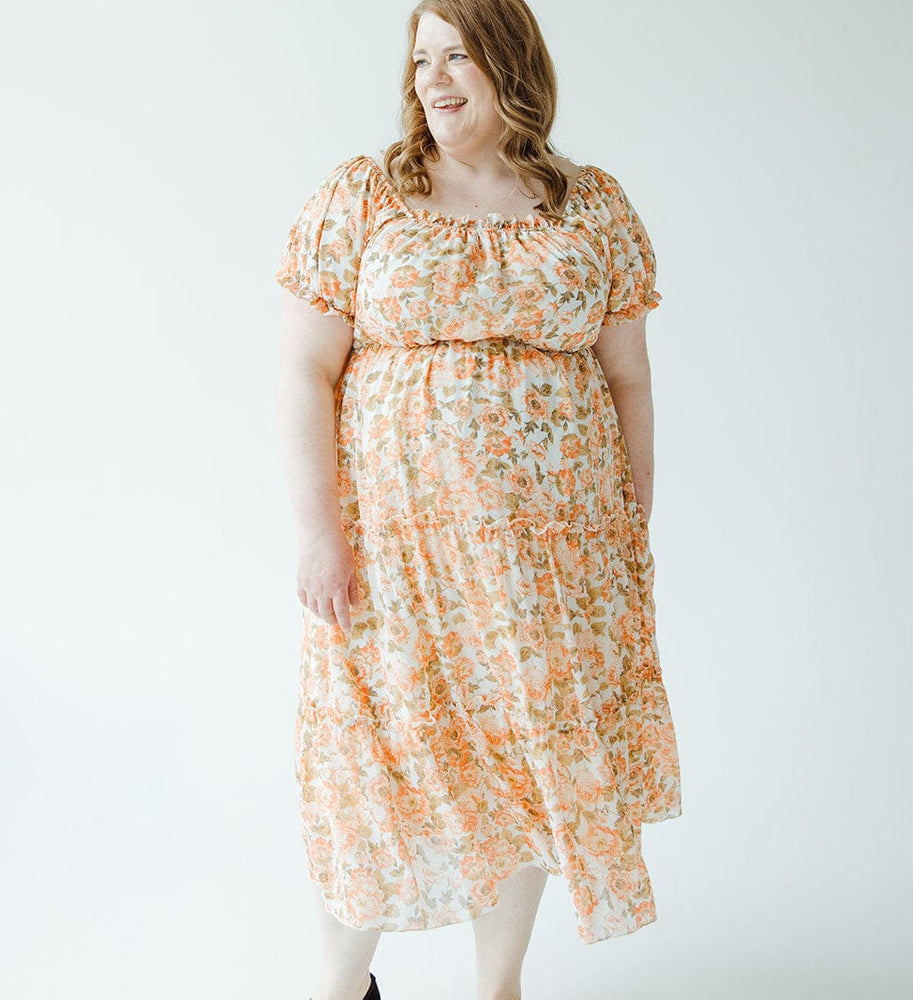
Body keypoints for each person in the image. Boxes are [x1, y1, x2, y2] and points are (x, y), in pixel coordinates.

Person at [274, 1, 682, 997]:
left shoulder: (590, 204)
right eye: (422, 60)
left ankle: (495, 986)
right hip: (396, 561)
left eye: (459, 56)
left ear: (510, 63)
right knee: (370, 764)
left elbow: (627, 375)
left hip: (553, 563)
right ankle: (341, 988)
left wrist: (628, 523)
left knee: (525, 762)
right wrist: (317, 532)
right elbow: (301, 372)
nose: (437, 79)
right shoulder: (364, 194)